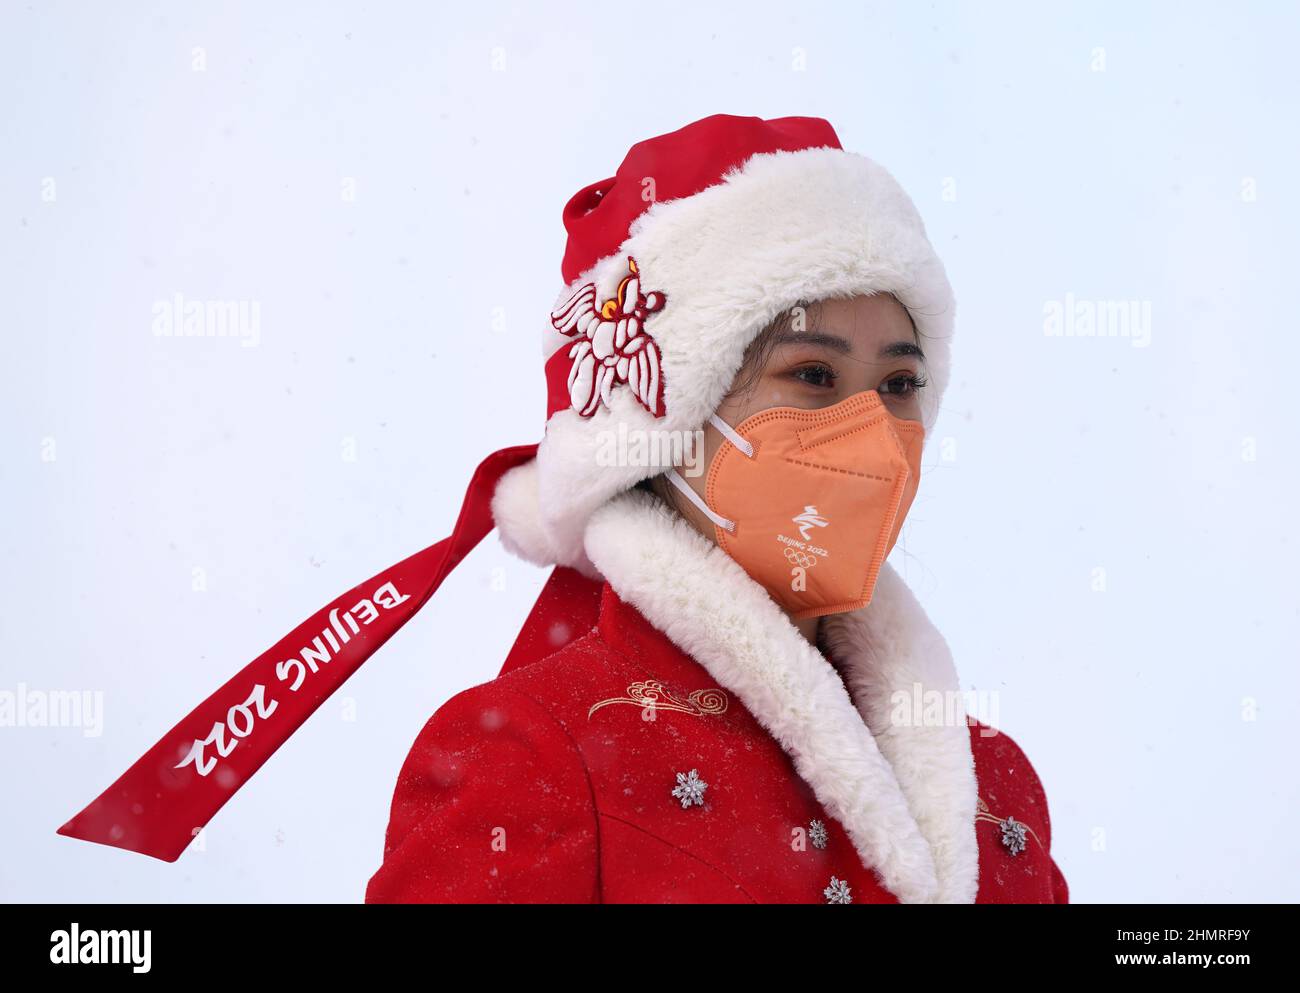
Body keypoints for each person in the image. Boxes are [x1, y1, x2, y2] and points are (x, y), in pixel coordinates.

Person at [362, 114, 1070, 904]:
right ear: (664, 429)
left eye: (900, 385)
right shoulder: (535, 754)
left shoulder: (996, 786)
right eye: (812, 375)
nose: (871, 434)